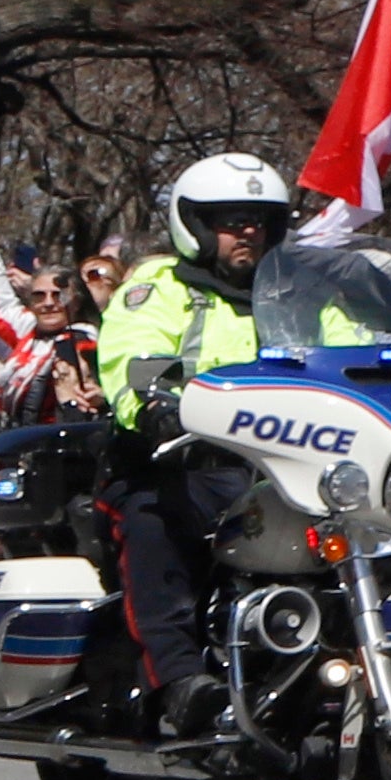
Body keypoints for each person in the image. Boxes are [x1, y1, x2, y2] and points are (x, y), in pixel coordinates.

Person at [93, 152, 297, 741]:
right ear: (199, 227)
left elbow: (351, 347)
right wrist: (150, 404)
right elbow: (129, 353)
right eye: (231, 220)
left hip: (284, 469)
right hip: (175, 461)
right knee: (155, 525)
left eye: (259, 220)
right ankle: (180, 684)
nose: (248, 232)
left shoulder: (297, 293)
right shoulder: (161, 285)